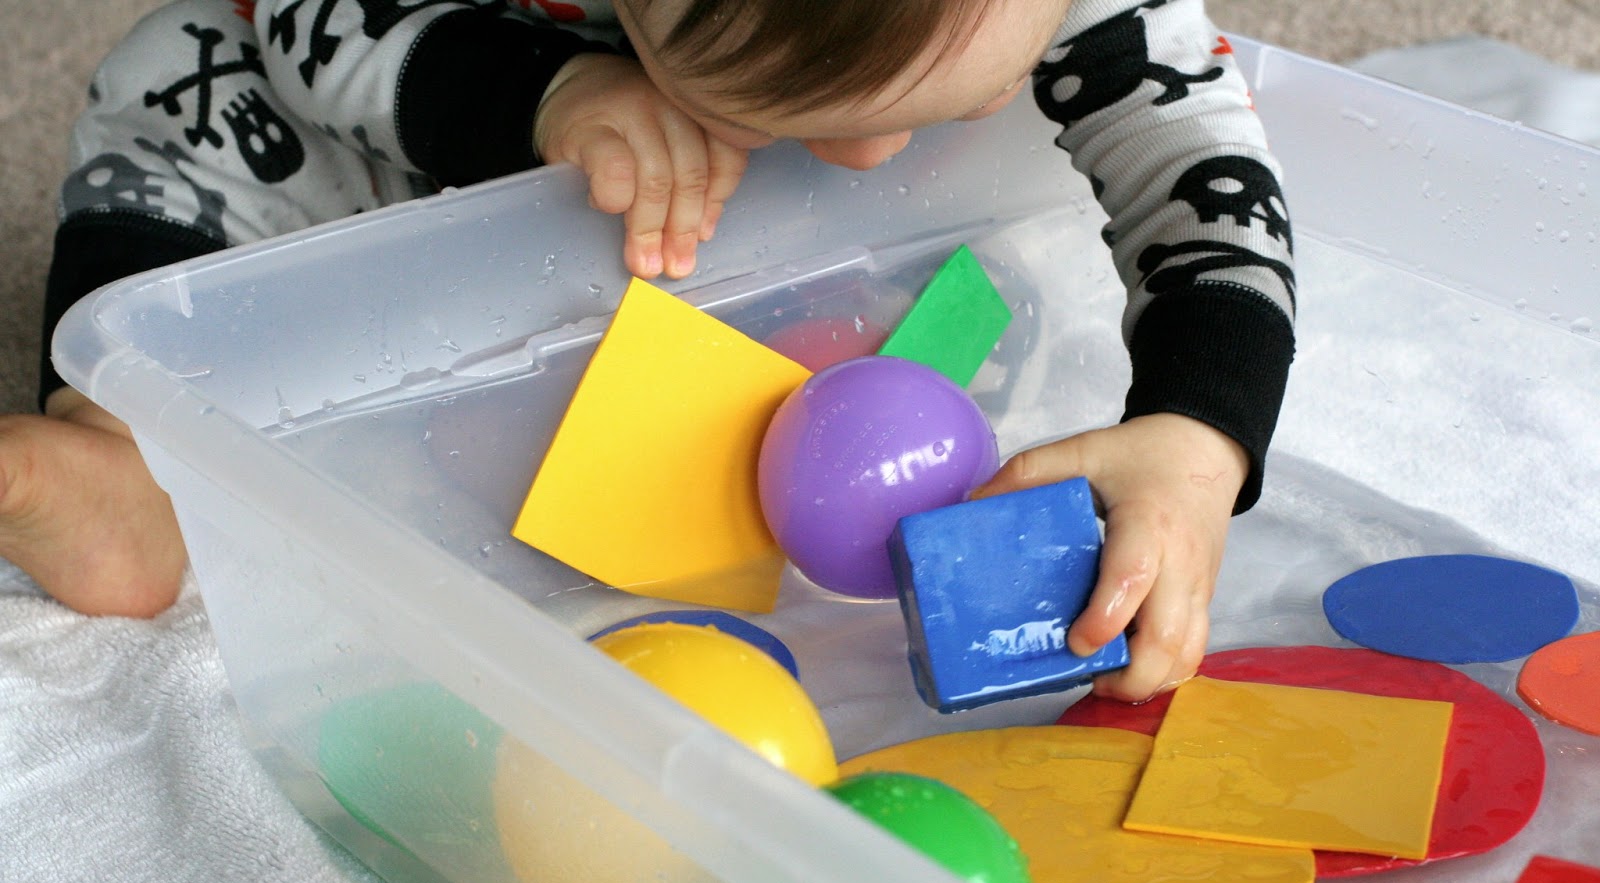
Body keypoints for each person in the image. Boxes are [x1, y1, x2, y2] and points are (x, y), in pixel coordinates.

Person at [18, 0, 1294, 702]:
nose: (862, 159)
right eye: (786, 114)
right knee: (184, 66)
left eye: (941, 107)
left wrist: (1195, 434)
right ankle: (128, 452)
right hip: (425, 193)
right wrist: (534, 92)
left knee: (987, 276)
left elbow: (1211, 186)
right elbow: (309, 14)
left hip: (737, 309)